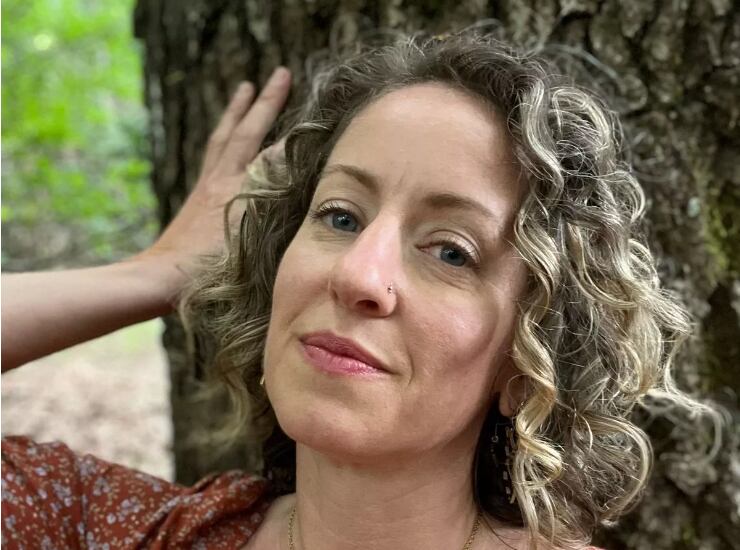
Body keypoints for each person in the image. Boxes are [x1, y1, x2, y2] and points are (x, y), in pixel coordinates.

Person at [1, 29, 707, 549]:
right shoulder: (127, 532)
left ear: (525, 365)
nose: (357, 274)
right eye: (340, 216)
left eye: (451, 252)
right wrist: (158, 272)